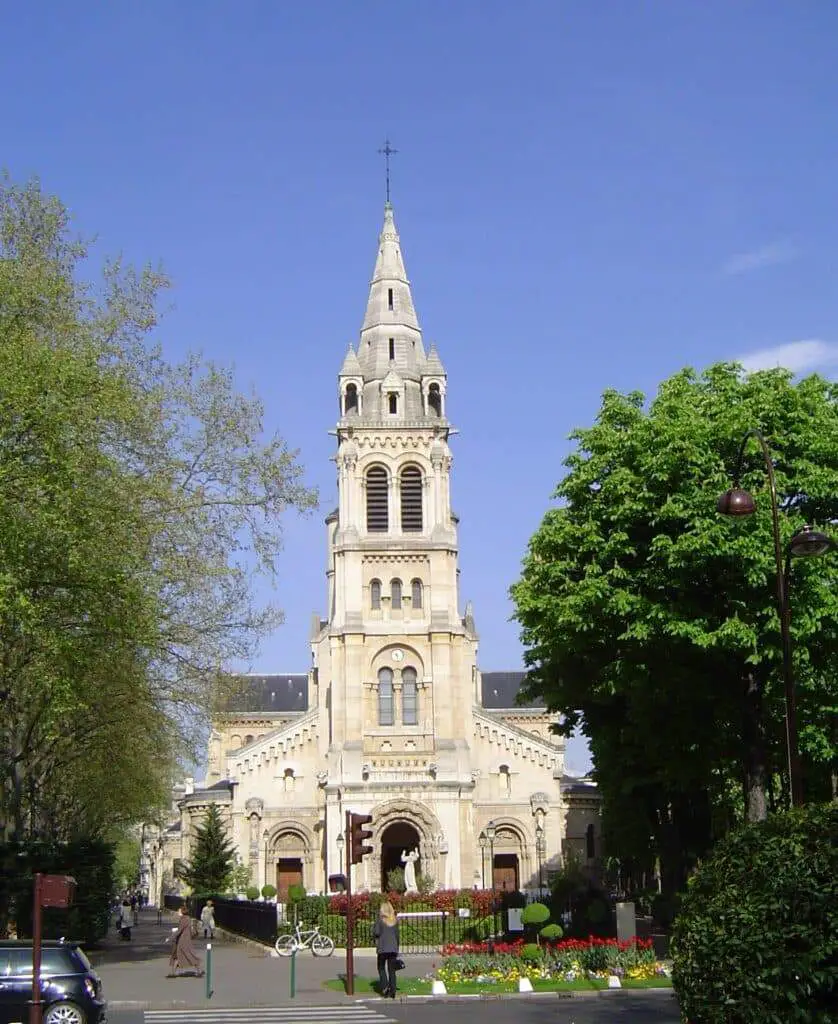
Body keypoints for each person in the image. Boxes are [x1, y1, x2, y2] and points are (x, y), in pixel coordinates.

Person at [372, 900, 400, 999]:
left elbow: (376, 933)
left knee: (381, 968)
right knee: (392, 970)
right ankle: (393, 990)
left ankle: (385, 987)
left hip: (383, 948)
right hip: (393, 948)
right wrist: (397, 948)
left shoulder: (380, 921)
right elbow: (397, 935)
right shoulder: (395, 921)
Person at [167, 905, 204, 978]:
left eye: (179, 910)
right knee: (178, 956)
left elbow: (179, 930)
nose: (178, 912)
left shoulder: (184, 919)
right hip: (184, 939)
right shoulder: (185, 918)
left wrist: (170, 938)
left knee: (189, 955)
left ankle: (199, 971)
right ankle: (173, 973)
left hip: (183, 940)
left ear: (182, 911)